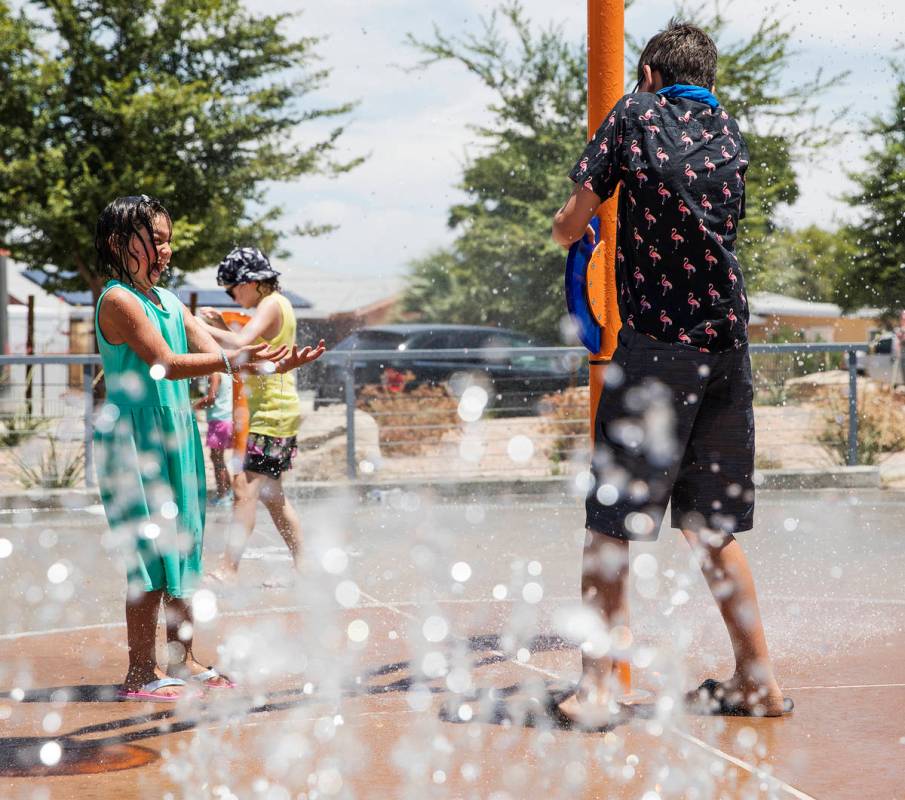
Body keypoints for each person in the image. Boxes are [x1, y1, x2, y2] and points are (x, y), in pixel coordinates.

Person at [551, 21, 791, 726]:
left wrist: (577, 234)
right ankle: (755, 681)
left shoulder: (632, 112)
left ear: (649, 72)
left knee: (610, 525)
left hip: (658, 346)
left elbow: (572, 220)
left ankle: (597, 688)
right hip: (726, 344)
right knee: (711, 526)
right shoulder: (728, 131)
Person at [93, 195, 313, 701]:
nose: (167, 249)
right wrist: (233, 364)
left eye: (169, 239)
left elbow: (221, 353)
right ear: (119, 243)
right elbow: (166, 363)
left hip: (177, 434)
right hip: (133, 441)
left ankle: (183, 658)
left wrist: (268, 364)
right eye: (157, 239)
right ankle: (140, 673)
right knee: (148, 554)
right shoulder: (117, 300)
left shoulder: (169, 301)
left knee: (183, 542)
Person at [197, 247, 325, 582]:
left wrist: (196, 325)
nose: (232, 294)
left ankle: (229, 569)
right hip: (278, 412)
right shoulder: (277, 304)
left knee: (243, 489)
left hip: (270, 414)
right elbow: (250, 350)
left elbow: (240, 343)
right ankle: (304, 564)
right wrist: (222, 325)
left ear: (253, 281)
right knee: (273, 497)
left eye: (233, 287)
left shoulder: (271, 304)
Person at [194, 371, 235, 506]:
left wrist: (193, 406)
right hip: (227, 419)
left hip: (218, 420)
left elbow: (211, 398)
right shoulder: (228, 373)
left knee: (217, 459)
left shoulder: (215, 374)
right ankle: (229, 492)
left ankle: (223, 494)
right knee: (218, 458)